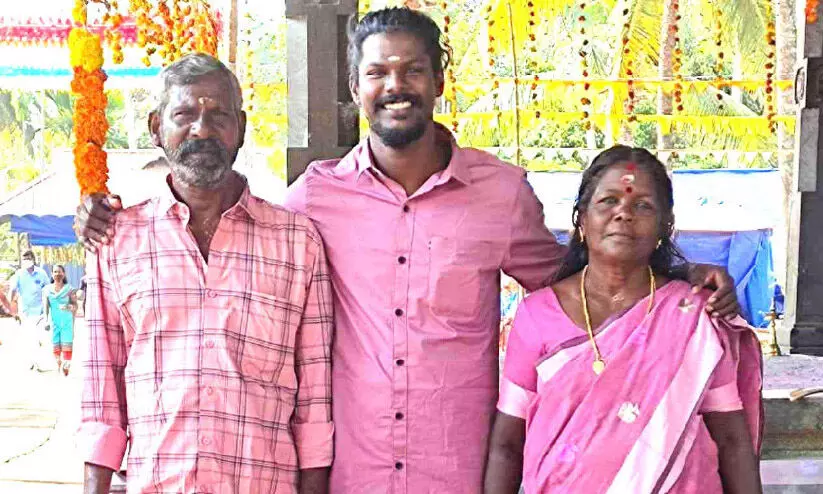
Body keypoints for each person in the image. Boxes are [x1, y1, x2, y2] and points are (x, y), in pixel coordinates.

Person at [75, 9, 740, 493]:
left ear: (437, 81)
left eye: (411, 70)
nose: (395, 85)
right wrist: (106, 215)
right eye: (377, 72)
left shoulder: (500, 194)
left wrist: (679, 278)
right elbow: (222, 208)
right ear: (357, 89)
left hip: (456, 466)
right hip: (350, 471)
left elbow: (576, 287)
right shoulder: (313, 202)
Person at [77, 53, 334, 494]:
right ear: (156, 127)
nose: (202, 129)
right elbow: (101, 395)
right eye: (185, 114)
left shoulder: (298, 242)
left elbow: (315, 402)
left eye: (218, 114)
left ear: (242, 127)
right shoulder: (116, 240)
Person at [484, 146, 762, 494]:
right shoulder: (537, 314)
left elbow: (733, 440)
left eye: (643, 205)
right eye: (608, 201)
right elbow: (507, 445)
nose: (624, 214)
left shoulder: (694, 314)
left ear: (665, 226)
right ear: (582, 219)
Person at [7, 250, 50, 370]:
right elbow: (13, 291)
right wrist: (13, 311)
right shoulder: (19, 274)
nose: (26, 260)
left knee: (40, 337)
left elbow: (48, 290)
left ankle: (37, 360)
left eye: (28, 258)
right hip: (25, 311)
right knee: (30, 337)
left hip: (41, 311)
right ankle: (34, 361)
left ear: (33, 259)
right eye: (24, 258)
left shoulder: (41, 273)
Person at [42, 264, 76, 376]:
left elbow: (75, 306)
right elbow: (46, 307)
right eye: (55, 272)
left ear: (64, 274)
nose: (57, 274)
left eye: (60, 272)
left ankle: (66, 365)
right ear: (52, 274)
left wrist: (68, 307)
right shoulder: (47, 290)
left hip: (67, 322)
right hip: (54, 322)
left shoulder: (69, 289)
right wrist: (46, 321)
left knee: (67, 344)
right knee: (55, 344)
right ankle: (58, 362)